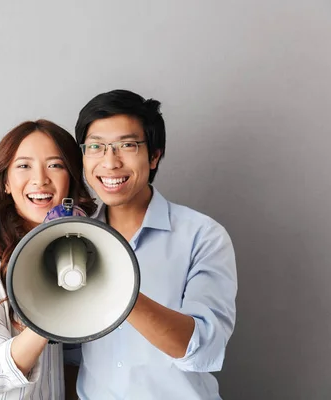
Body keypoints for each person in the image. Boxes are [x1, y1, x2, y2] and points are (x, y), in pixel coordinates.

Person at [71, 90, 238, 399]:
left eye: (127, 145)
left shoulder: (203, 236)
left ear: (154, 155)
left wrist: (115, 287)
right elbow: (68, 356)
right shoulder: (71, 240)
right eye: (96, 146)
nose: (110, 161)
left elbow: (203, 348)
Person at [0, 120, 96, 400]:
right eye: (24, 166)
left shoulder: (63, 252)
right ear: (5, 182)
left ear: (72, 179)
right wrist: (52, 306)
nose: (40, 180)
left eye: (55, 165)